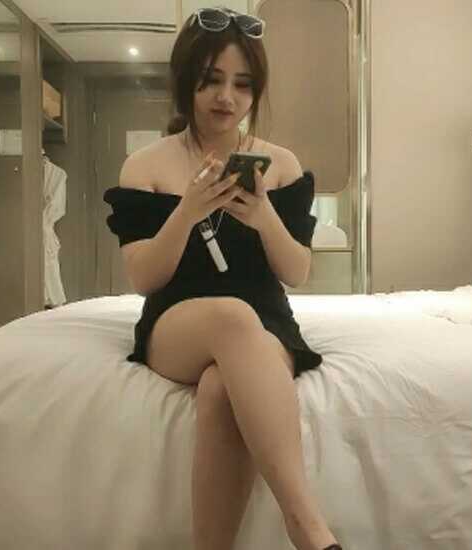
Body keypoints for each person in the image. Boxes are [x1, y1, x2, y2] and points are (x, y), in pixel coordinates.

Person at [103, 7, 342, 550]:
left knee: (218, 389)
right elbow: (144, 278)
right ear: (186, 80)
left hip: (265, 324)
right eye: (211, 79)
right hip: (177, 324)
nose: (226, 98)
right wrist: (187, 211)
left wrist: (263, 216)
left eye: (242, 83)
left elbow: (297, 272)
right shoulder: (147, 166)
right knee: (231, 316)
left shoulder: (279, 165)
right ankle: (308, 528)